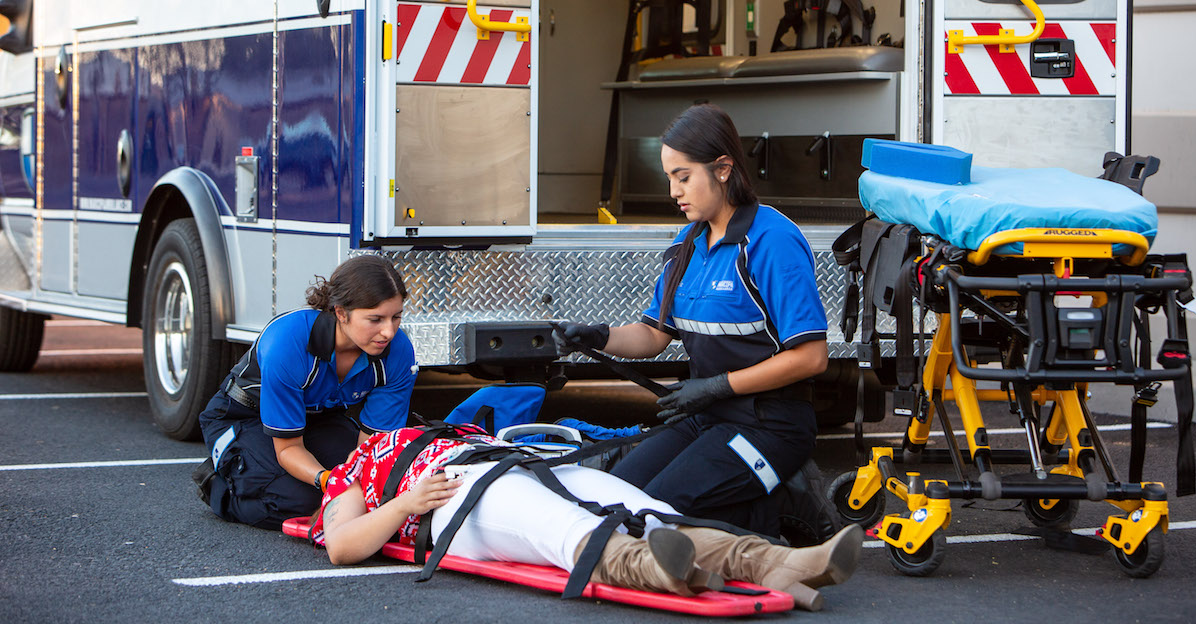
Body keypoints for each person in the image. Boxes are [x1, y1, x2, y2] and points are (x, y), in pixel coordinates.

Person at [554, 103, 829, 537]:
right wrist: (597, 336)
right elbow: (652, 335)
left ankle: (789, 507)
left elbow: (812, 358)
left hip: (769, 426)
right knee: (613, 498)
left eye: (683, 177)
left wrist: (717, 386)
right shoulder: (689, 239)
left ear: (723, 169)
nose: (673, 192)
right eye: (669, 179)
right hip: (707, 417)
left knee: (656, 514)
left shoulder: (772, 241)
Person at [313, 424, 862, 611]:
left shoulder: (423, 429)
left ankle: (783, 563)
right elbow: (342, 545)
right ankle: (663, 571)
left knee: (646, 509)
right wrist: (404, 505)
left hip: (516, 462)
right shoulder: (347, 475)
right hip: (451, 504)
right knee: (564, 530)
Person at [192, 254, 418, 529]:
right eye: (375, 319)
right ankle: (220, 485)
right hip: (244, 417)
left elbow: (372, 449)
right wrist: (329, 483)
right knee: (299, 499)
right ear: (340, 312)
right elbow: (288, 448)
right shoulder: (288, 342)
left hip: (316, 419)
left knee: (385, 486)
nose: (388, 332)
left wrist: (358, 486)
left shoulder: (399, 352)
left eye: (396, 317)